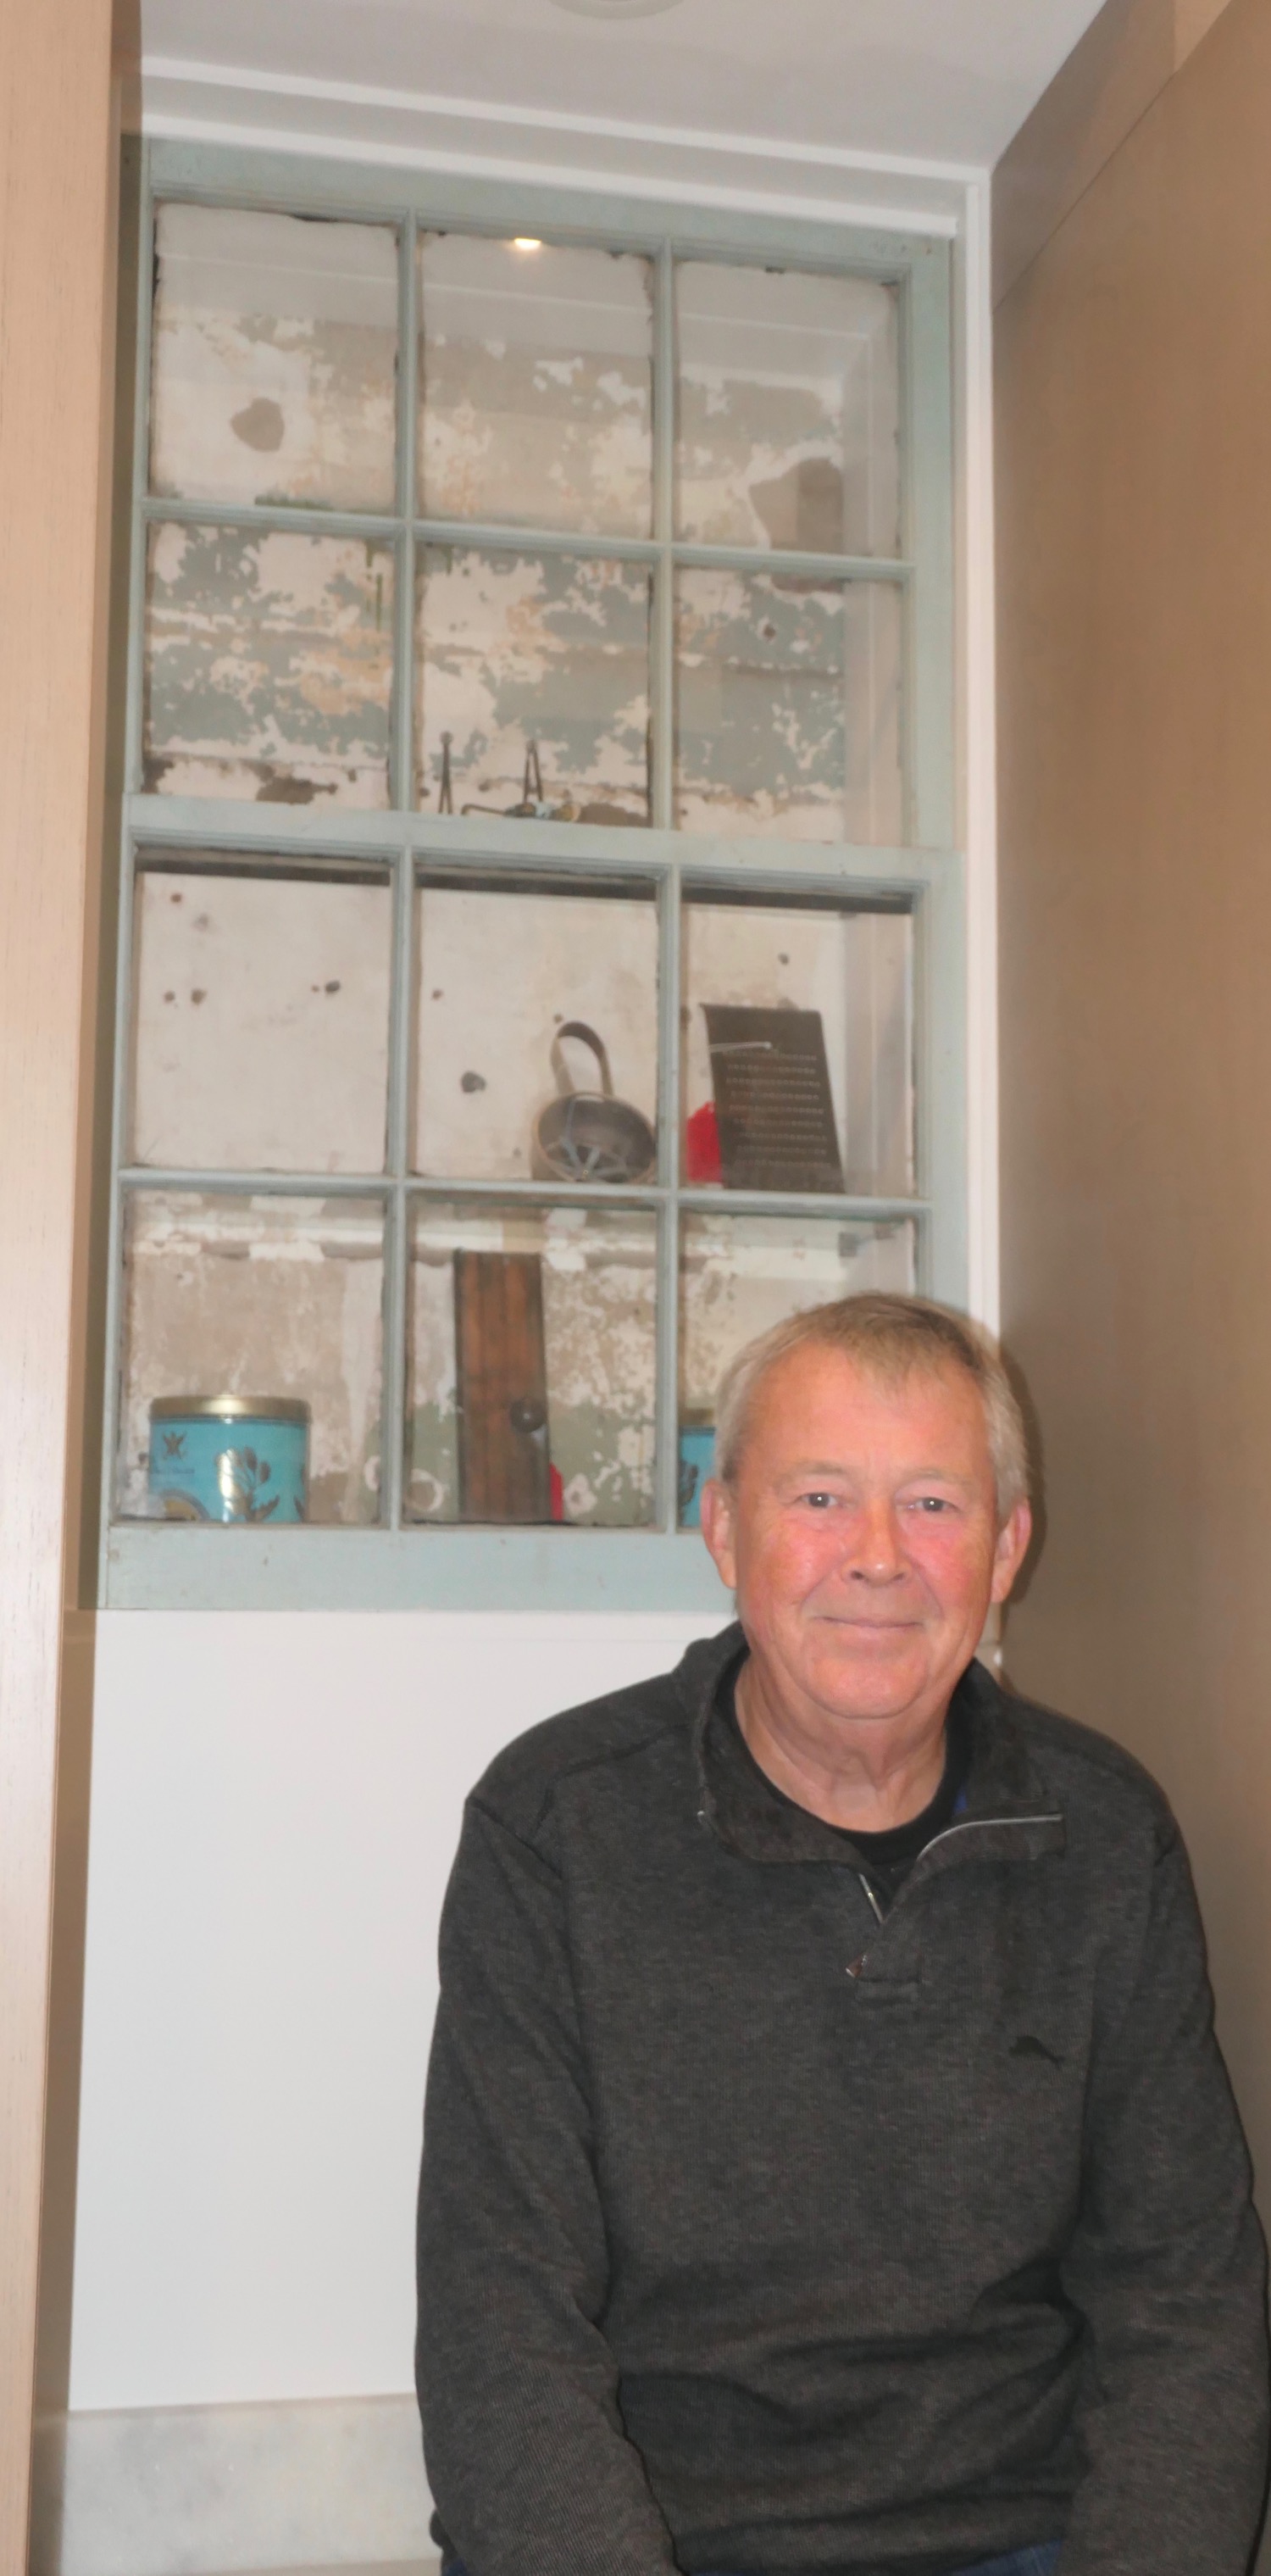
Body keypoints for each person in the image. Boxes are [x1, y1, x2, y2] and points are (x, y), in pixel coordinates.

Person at [416, 1293, 1269, 2576]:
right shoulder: (555, 1827)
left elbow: (1187, 2305)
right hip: (665, 2538)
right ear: (722, 1528)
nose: (878, 1555)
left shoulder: (1106, 1836)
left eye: (933, 1503)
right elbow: (500, 2326)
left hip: (1021, 2533)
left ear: (1007, 1547)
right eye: (819, 1498)